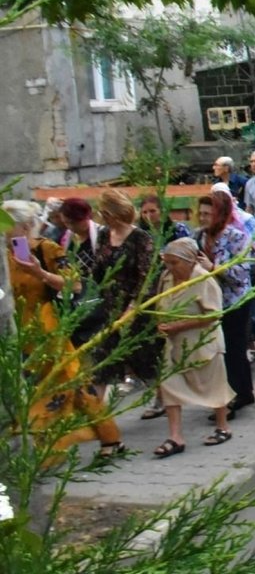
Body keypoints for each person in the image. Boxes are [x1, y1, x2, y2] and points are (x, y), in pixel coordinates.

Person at [4, 200, 123, 458]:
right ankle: (46, 450)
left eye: (7, 226)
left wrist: (40, 273)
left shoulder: (46, 249)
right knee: (40, 389)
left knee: (70, 384)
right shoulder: (3, 258)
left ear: (23, 226)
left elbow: (75, 285)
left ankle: (103, 439)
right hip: (14, 333)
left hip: (47, 330)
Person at [152, 238, 237, 458]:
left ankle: (222, 426)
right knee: (169, 385)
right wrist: (160, 325)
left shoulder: (204, 279)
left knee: (213, 385)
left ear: (189, 261)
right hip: (174, 344)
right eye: (167, 262)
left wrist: (178, 325)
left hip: (203, 341)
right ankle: (175, 437)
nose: (169, 268)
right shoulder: (167, 278)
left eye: (174, 263)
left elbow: (214, 314)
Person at [193, 191, 255, 418]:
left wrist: (213, 267)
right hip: (211, 302)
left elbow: (241, 273)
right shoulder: (199, 237)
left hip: (235, 300)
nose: (203, 218)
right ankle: (243, 391)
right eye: (200, 213)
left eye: (208, 213)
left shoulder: (236, 236)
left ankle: (235, 395)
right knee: (220, 349)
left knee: (233, 349)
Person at [90, 189, 158, 388]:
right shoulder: (103, 235)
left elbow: (147, 276)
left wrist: (132, 307)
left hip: (134, 308)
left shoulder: (140, 238)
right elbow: (97, 269)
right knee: (102, 363)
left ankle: (163, 399)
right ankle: (98, 415)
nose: (102, 217)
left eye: (104, 213)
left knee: (146, 361)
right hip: (108, 308)